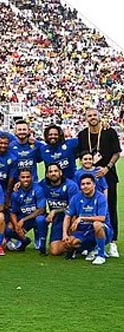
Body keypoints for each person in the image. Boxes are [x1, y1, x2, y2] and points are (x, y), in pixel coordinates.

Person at [75, 108, 121, 258]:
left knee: (110, 207)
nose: (92, 117)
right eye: (89, 115)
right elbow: (79, 154)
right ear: (86, 118)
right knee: (88, 209)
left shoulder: (109, 132)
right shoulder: (83, 135)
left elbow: (116, 153)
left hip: (107, 176)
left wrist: (107, 168)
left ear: (99, 116)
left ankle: (112, 242)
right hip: (88, 179)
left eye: (95, 115)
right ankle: (92, 243)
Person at [63, 174, 112, 265]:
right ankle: (91, 249)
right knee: (70, 243)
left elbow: (102, 218)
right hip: (85, 230)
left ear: (94, 185)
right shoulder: (76, 198)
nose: (85, 186)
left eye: (88, 183)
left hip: (103, 229)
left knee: (97, 224)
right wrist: (65, 234)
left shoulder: (101, 197)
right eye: (83, 184)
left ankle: (101, 255)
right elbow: (68, 216)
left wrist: (81, 218)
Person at [40, 163, 80, 256]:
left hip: (71, 218)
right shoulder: (44, 184)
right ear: (47, 174)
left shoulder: (71, 185)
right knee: (55, 251)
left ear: (61, 173)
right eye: (50, 171)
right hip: (57, 220)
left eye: (55, 171)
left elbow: (74, 208)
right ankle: (74, 246)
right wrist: (18, 184)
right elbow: (32, 187)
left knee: (73, 216)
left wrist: (55, 211)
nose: (53, 173)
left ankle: (82, 244)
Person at [7, 169, 47, 254]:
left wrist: (23, 220)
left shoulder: (38, 189)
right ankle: (24, 240)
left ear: (32, 177)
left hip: (35, 218)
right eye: (23, 177)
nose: (25, 179)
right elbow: (13, 212)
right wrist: (17, 226)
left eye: (28, 177)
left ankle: (42, 246)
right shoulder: (16, 193)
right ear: (19, 178)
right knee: (8, 229)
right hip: (23, 218)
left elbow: (41, 210)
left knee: (41, 220)